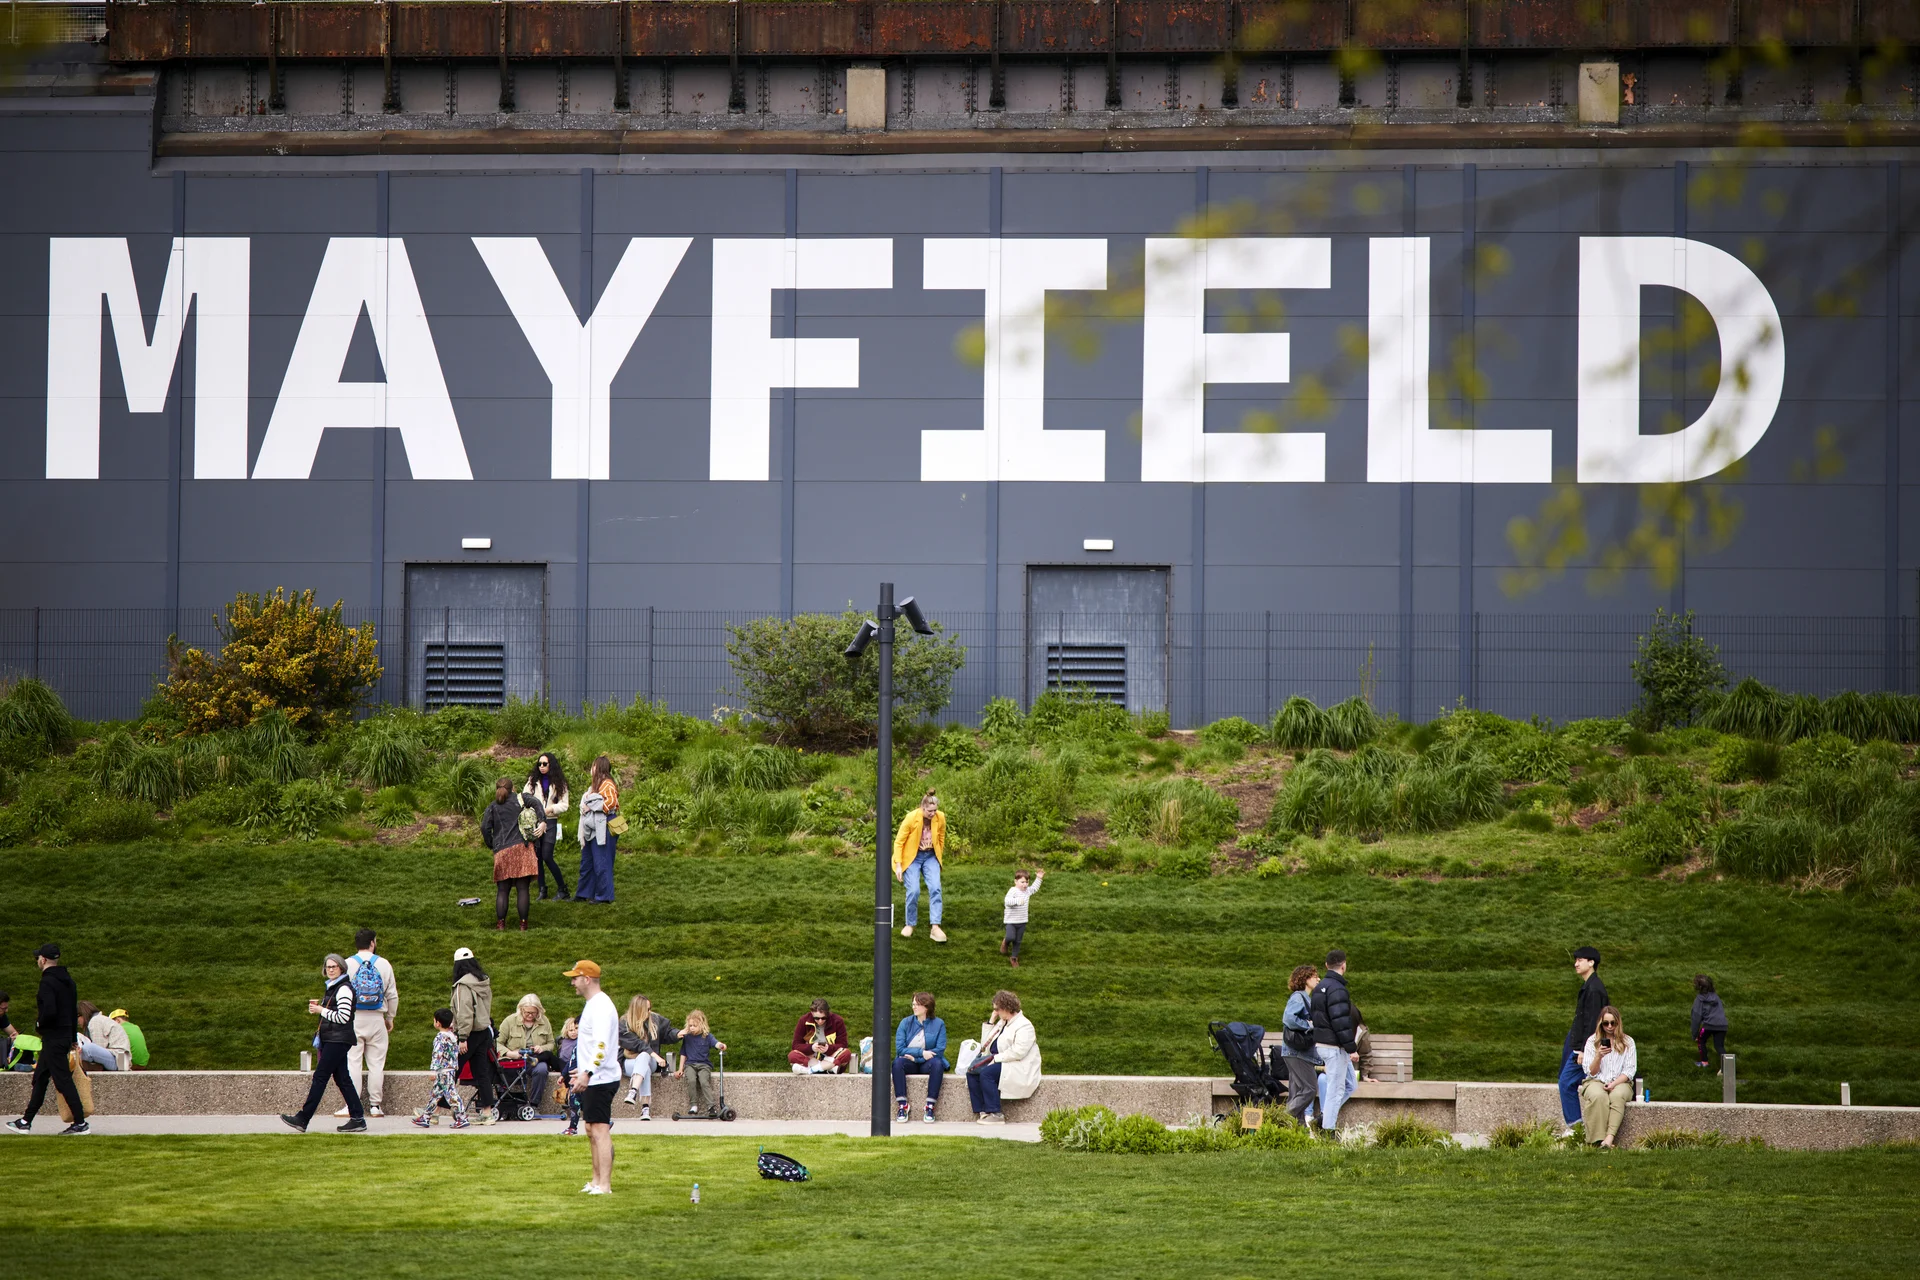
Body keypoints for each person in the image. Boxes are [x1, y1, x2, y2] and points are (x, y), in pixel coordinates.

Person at [279, 953, 367, 1133]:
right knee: (342, 1079)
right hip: (335, 1039)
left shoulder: (343, 989)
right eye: (328, 967)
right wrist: (322, 1010)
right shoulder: (335, 987)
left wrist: (322, 1010)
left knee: (320, 1077)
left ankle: (303, 1118)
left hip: (337, 1040)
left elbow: (343, 1017)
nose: (331, 970)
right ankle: (358, 1118)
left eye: (334, 966)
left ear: (342, 968)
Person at [7, 943, 88, 1135]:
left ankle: (80, 1123)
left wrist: (39, 1025)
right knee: (41, 1078)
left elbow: (49, 1011)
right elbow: (70, 1012)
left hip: (53, 1037)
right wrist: (72, 1037)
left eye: (38, 958)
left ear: (43, 960)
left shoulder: (47, 982)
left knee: (62, 1081)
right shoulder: (69, 981)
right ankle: (26, 1121)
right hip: (63, 1036)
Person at [565, 959, 620, 1194]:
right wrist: (583, 1069)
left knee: (599, 1129)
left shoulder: (601, 1007)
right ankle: (596, 1180)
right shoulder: (592, 1004)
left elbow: (601, 1045)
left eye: (575, 978)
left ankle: (605, 1185)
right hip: (593, 1076)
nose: (572, 983)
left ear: (587, 979)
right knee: (590, 1130)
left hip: (601, 1078)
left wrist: (588, 1072)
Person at [339, 928, 397, 1119]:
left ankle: (351, 1105)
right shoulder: (384, 964)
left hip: (353, 1019)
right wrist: (390, 1018)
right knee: (376, 1064)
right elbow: (392, 994)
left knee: (352, 1062)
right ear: (372, 942)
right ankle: (374, 1106)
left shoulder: (346, 964)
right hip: (376, 1018)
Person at [964, 990, 1040, 1125]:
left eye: (997, 1009)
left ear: (1006, 1008)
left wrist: (996, 1059)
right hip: (1000, 1060)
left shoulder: (1024, 1025)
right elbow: (985, 1045)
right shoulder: (1002, 1022)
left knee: (987, 1073)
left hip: (1016, 1064)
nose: (996, 1012)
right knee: (972, 1072)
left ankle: (995, 1113)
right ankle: (983, 1111)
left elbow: (1018, 1052)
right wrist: (991, 1022)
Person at [1558, 945, 1610, 1134]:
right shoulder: (1590, 986)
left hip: (1584, 1046)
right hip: (1577, 1041)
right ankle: (1577, 1127)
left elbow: (1593, 1022)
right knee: (1566, 1081)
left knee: (1566, 1083)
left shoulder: (1594, 989)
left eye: (1580, 960)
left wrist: (1582, 1051)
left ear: (1591, 962)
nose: (1576, 964)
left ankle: (1576, 1129)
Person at [1309, 948, 1360, 1137]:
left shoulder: (1319, 988)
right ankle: (1327, 1132)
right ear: (1344, 965)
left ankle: (1324, 1119)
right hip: (1334, 1047)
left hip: (1323, 1044)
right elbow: (1341, 1022)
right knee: (1335, 1091)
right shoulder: (1338, 989)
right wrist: (1351, 1048)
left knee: (1350, 1085)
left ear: (1326, 966)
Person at [481, 777, 540, 931]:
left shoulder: (493, 806)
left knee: (502, 890)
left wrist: (492, 844)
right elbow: (537, 804)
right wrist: (543, 821)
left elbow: (484, 827)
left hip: (502, 851)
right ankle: (523, 924)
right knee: (522, 888)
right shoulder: (521, 800)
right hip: (522, 849)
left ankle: (500, 924)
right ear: (513, 788)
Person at [892, 789, 948, 943]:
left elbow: (941, 837)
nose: (933, 813)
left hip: (931, 856)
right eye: (930, 811)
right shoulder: (911, 818)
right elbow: (899, 842)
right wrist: (898, 864)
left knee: (936, 888)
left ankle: (935, 927)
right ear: (922, 808)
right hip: (912, 857)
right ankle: (910, 924)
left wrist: (938, 857)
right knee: (914, 890)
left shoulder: (940, 817)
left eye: (935, 810)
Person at [451, 947, 499, 1124]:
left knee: (451, 1070)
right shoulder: (483, 981)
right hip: (484, 1032)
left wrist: (462, 1037)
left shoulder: (463, 985)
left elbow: (464, 1012)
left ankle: (435, 1110)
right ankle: (487, 1112)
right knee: (482, 1073)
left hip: (469, 1034)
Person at [1578, 1005, 1637, 1148]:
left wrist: (1614, 1084)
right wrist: (1598, 1056)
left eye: (1613, 1023)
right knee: (1598, 1096)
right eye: (1606, 1023)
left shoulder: (1628, 1042)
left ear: (1618, 1023)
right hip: (1596, 1080)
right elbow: (1590, 1072)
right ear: (1601, 1024)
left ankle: (1609, 1139)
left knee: (1617, 1096)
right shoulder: (1592, 1041)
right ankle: (1597, 1140)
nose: (1609, 1027)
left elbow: (1629, 1071)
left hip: (1621, 1081)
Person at [891, 991, 948, 1125]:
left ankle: (930, 1106)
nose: (914, 1007)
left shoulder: (939, 1024)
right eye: (913, 1004)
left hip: (926, 1063)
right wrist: (922, 1054)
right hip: (909, 1062)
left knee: (937, 1064)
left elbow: (939, 1050)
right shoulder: (905, 1023)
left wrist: (916, 1058)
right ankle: (902, 1105)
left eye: (917, 1004)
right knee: (897, 1063)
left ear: (926, 1007)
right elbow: (900, 1049)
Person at [412, 1007, 472, 1130]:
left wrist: (433, 1070)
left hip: (443, 1071)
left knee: (451, 1095)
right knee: (436, 1095)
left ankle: (461, 1117)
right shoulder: (452, 1036)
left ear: (437, 1023)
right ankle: (426, 1117)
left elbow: (437, 1055)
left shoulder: (440, 1038)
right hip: (450, 1069)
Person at [619, 995, 677, 1119]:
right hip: (630, 1062)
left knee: (644, 1057)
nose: (650, 1012)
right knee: (644, 1066)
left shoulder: (655, 1019)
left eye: (650, 1008)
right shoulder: (624, 1023)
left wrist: (678, 1034)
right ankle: (645, 1109)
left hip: (651, 1062)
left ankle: (633, 1091)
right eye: (647, 1009)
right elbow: (637, 1044)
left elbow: (667, 1033)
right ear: (638, 1010)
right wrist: (656, 1056)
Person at [497, 993, 557, 1111]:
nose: (530, 1015)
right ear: (521, 1010)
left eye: (533, 1013)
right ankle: (507, 1105)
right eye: (527, 1012)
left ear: (538, 1011)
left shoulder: (545, 1021)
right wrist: (509, 1053)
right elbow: (497, 1043)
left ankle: (534, 1105)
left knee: (542, 1069)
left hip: (534, 1059)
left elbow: (551, 1043)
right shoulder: (509, 1021)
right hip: (513, 1058)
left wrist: (542, 1048)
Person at [524, 752, 571, 901]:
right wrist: (533, 811)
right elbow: (524, 797)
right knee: (537, 857)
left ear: (551, 765)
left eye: (545, 764)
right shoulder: (533, 781)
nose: (541, 767)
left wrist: (551, 809)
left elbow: (565, 805)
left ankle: (563, 889)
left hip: (550, 821)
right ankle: (542, 889)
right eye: (539, 764)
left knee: (547, 856)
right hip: (535, 821)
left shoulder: (560, 783)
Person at [1279, 964, 1321, 1128]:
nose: (1318, 979)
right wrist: (1310, 1025)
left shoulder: (1305, 998)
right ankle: (1280, 1119)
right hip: (1297, 1053)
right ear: (1305, 978)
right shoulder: (1298, 997)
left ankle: (1297, 1130)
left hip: (1296, 1052)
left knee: (1297, 1092)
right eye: (1314, 976)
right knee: (1310, 1089)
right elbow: (1289, 1019)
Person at [574, 756, 620, 904]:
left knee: (602, 861)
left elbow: (612, 802)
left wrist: (592, 807)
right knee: (587, 860)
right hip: (593, 826)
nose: (591, 769)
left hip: (605, 825)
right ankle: (584, 892)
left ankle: (604, 896)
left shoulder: (607, 784)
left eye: (593, 766)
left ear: (599, 768)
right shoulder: (596, 785)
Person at [672, 1010, 726, 1117]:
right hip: (690, 1064)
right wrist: (680, 1069)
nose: (692, 1028)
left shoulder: (707, 1036)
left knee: (704, 1081)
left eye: (694, 1026)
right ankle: (693, 1105)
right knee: (691, 1080)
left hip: (704, 1064)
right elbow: (683, 1053)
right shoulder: (687, 1037)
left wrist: (721, 1045)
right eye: (690, 1025)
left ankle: (711, 1106)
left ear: (701, 1025)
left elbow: (715, 1043)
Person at [788, 998, 852, 1074]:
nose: (820, 1021)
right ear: (812, 1013)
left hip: (830, 1056)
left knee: (846, 1053)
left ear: (827, 1014)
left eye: (823, 1018)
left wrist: (828, 1048)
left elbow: (843, 1044)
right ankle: (827, 1068)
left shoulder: (837, 1021)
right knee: (792, 1055)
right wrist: (811, 1048)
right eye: (816, 1018)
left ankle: (812, 1070)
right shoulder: (804, 1020)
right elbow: (796, 1045)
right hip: (812, 1057)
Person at [1001, 868, 1044, 968]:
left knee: (1018, 941)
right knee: (1011, 937)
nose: (1025, 884)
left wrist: (1038, 878)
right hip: (1011, 921)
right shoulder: (1013, 890)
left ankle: (1014, 958)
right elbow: (1007, 901)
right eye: (1022, 882)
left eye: (1027, 882)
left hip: (1022, 920)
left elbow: (1034, 888)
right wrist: (1017, 901)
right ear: (1015, 881)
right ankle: (1005, 942)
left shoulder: (1027, 891)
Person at [1691, 974, 1729, 1071]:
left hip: (1708, 1025)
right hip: (1722, 1025)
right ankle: (1727, 1067)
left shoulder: (1699, 999)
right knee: (1719, 1046)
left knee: (1701, 1040)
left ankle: (1704, 1062)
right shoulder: (1716, 997)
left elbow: (1696, 1017)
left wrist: (1694, 1034)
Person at [76, 1002, 127, 1072]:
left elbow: (99, 1046)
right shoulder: (100, 1019)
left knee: (87, 1048)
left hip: (120, 1061)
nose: (77, 1021)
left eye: (77, 1016)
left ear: (83, 1014)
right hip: (121, 1060)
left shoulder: (95, 1021)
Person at [556, 1016, 582, 1137]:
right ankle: (572, 1127)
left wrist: (580, 1074)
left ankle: (573, 1127)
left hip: (580, 1078)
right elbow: (570, 1062)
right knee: (574, 1102)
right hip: (573, 1078)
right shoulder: (576, 1047)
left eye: (578, 1028)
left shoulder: (584, 1046)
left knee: (581, 1103)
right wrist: (563, 1075)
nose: (575, 1031)